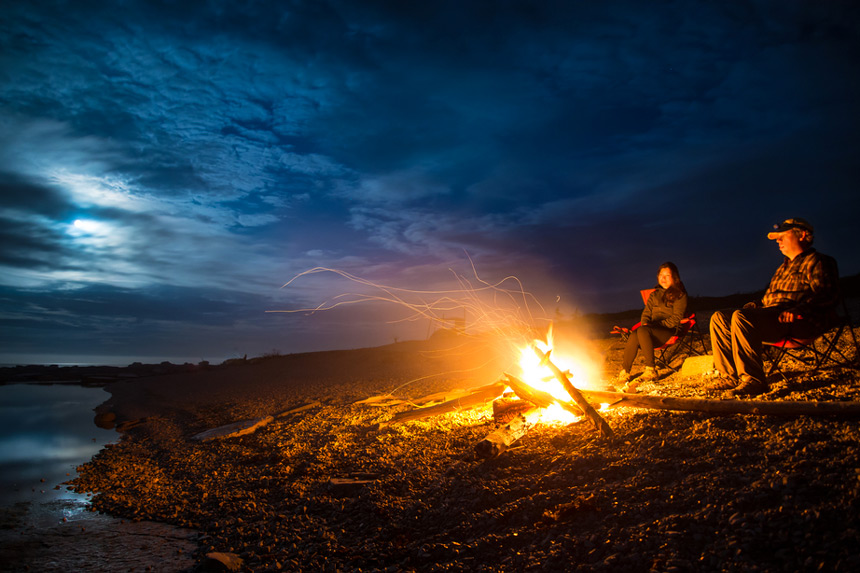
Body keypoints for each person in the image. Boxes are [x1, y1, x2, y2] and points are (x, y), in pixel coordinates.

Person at [708, 217, 839, 397]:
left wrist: (799, 310)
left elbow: (826, 295)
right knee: (719, 317)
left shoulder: (819, 261)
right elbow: (770, 298)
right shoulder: (782, 268)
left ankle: (753, 380)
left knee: (742, 317)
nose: (778, 241)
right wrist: (756, 305)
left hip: (799, 320)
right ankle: (729, 376)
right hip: (774, 316)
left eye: (782, 236)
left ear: (802, 235)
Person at [616, 262, 688, 392]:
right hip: (650, 332)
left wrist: (654, 325)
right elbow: (646, 314)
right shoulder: (654, 295)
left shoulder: (680, 295)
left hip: (669, 331)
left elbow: (676, 318)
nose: (663, 278)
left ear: (675, 277)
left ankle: (651, 370)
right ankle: (625, 371)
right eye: (661, 275)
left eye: (667, 275)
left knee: (642, 330)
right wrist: (646, 324)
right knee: (635, 333)